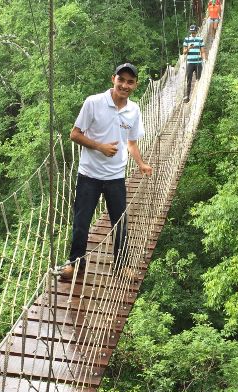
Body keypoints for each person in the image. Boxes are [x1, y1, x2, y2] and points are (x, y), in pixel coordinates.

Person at [59, 63, 153, 281]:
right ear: (113, 79)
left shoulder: (134, 110)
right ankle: (75, 264)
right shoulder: (93, 103)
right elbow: (74, 134)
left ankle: (121, 266)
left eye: (130, 82)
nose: (125, 85)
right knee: (81, 223)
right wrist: (99, 146)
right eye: (121, 80)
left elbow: (131, 143)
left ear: (135, 85)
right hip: (89, 175)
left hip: (115, 177)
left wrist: (141, 163)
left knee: (120, 223)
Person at [182, 24, 207, 103]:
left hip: (198, 62)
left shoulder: (200, 39)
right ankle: (187, 96)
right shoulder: (187, 39)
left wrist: (204, 59)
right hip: (190, 62)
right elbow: (184, 52)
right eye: (192, 32)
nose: (193, 34)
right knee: (189, 79)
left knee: (199, 79)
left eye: (194, 32)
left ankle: (198, 95)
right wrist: (189, 47)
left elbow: (202, 51)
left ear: (196, 32)